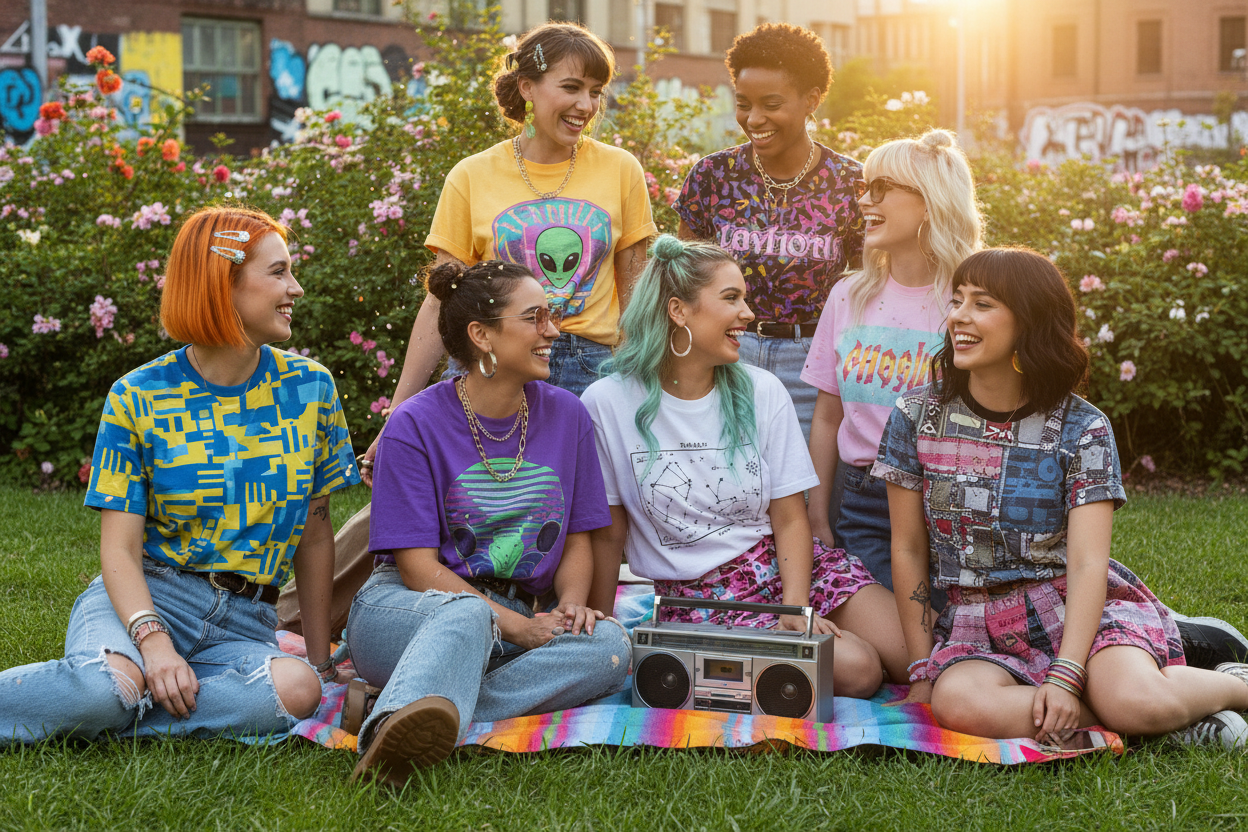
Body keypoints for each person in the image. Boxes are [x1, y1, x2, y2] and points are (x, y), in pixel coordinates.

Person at [0, 206, 359, 745]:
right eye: (279, 272)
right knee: (106, 687)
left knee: (297, 690)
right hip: (150, 596)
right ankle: (120, 692)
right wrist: (153, 643)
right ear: (224, 286)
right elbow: (119, 550)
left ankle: (119, 710)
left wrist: (319, 662)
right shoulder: (138, 396)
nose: (297, 289)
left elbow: (315, 532)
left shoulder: (311, 389)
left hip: (247, 620)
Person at [874, 247, 1248, 748]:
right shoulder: (915, 415)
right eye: (957, 300)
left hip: (1076, 609)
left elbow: (1088, 564)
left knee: (1134, 700)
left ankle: (1225, 688)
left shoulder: (1083, 427)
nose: (959, 315)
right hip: (976, 623)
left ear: (1029, 323)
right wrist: (922, 669)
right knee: (957, 705)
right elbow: (909, 549)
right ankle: (1151, 716)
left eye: (982, 304)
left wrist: (1068, 673)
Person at [583, 236, 908, 697]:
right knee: (859, 670)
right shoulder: (608, 402)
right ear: (679, 310)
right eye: (731, 298)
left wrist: (795, 611)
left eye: (745, 298)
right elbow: (609, 531)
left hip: (789, 566)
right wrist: (606, 634)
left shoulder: (763, 389)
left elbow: (790, 516)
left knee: (916, 654)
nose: (749, 314)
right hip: (700, 596)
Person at [346, 260, 630, 786]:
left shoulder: (568, 415)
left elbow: (577, 536)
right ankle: (387, 737)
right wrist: (521, 629)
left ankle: (419, 707)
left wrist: (569, 604)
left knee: (610, 648)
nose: (553, 330)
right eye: (535, 317)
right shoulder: (414, 423)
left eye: (553, 314)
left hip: (513, 618)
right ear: (482, 335)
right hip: (411, 612)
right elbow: (415, 569)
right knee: (467, 617)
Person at [801, 130, 982, 592]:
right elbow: (827, 417)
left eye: (880, 188)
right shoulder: (848, 296)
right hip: (860, 503)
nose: (864, 201)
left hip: (948, 503)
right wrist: (817, 514)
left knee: (946, 636)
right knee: (899, 645)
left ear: (929, 201)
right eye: (864, 188)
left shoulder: (970, 300)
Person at [674, 23, 863, 441]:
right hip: (723, 359)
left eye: (771, 104)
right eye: (743, 103)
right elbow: (682, 279)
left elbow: (868, 288)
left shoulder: (850, 182)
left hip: (812, 368)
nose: (754, 119)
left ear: (812, 99)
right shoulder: (712, 176)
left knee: (809, 501)